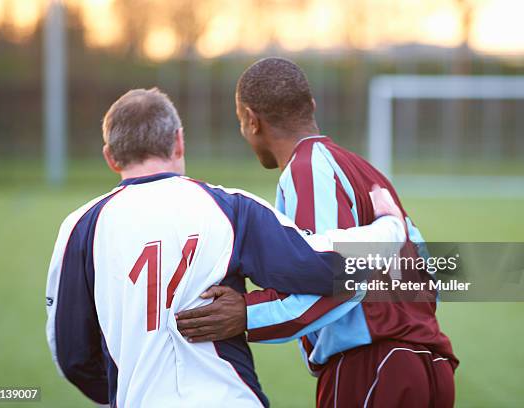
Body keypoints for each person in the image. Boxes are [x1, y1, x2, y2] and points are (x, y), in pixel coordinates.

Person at [45, 88, 407, 407]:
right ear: (178, 141)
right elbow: (325, 267)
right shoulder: (231, 208)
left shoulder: (80, 227)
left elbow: (72, 354)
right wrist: (390, 228)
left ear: (110, 157)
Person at [176, 58, 458, 408]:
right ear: (311, 106)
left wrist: (248, 312)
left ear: (250, 120)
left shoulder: (306, 169)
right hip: (430, 367)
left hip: (372, 368)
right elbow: (425, 274)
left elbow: (334, 275)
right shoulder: (365, 171)